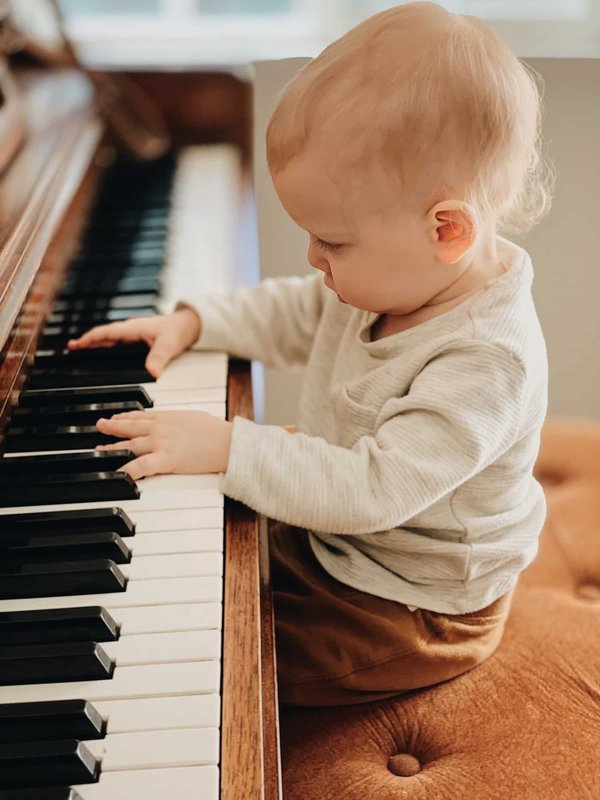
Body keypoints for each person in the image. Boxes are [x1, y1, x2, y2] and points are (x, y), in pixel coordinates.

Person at [68, 2, 554, 706]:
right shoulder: (406, 275)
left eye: (332, 241)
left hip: (408, 604)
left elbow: (374, 490)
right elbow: (300, 310)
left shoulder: (486, 359)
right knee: (192, 561)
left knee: (211, 663)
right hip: (349, 541)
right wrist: (198, 322)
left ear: (446, 229)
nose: (312, 257)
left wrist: (229, 446)